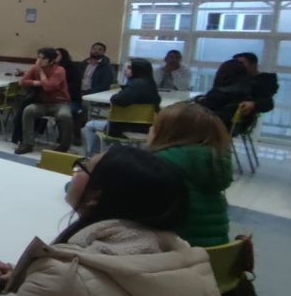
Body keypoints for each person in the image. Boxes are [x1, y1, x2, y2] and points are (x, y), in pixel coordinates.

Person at [0, 146, 223, 296]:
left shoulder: (64, 276)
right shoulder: (185, 257)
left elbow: (70, 286)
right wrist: (23, 277)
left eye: (83, 166)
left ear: (96, 196)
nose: (75, 170)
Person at [147, 104, 234, 247]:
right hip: (215, 254)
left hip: (175, 253)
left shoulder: (160, 165)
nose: (150, 129)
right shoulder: (215, 164)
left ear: (169, 134)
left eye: (155, 126)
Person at [81, 59, 161, 156]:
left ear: (138, 69)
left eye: (129, 67)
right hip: (145, 127)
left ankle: (93, 155)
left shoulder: (134, 85)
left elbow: (117, 100)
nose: (126, 70)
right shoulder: (151, 85)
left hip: (125, 127)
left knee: (89, 125)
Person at [15, 48, 72, 155]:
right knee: (28, 110)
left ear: (52, 61)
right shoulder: (34, 68)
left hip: (60, 103)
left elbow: (48, 87)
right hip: (42, 103)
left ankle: (64, 146)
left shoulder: (59, 70)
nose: (39, 60)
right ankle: (27, 143)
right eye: (38, 57)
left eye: (43, 58)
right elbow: (22, 82)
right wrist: (37, 82)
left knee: (65, 116)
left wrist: (41, 72)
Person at [197, 59, 252, 131]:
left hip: (210, 127)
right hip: (229, 128)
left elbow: (204, 106)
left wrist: (198, 99)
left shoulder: (220, 93)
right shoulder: (245, 90)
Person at [233, 52, 279, 118]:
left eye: (241, 63)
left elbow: (268, 103)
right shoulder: (235, 78)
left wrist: (253, 105)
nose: (237, 66)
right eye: (234, 64)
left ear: (253, 65)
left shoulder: (263, 82)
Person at [56, 47, 84, 143]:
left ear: (63, 56)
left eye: (57, 55)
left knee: (72, 111)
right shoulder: (50, 67)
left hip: (72, 98)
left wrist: (61, 88)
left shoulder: (72, 68)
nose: (54, 57)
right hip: (55, 99)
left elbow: (75, 85)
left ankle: (76, 135)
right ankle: (62, 136)